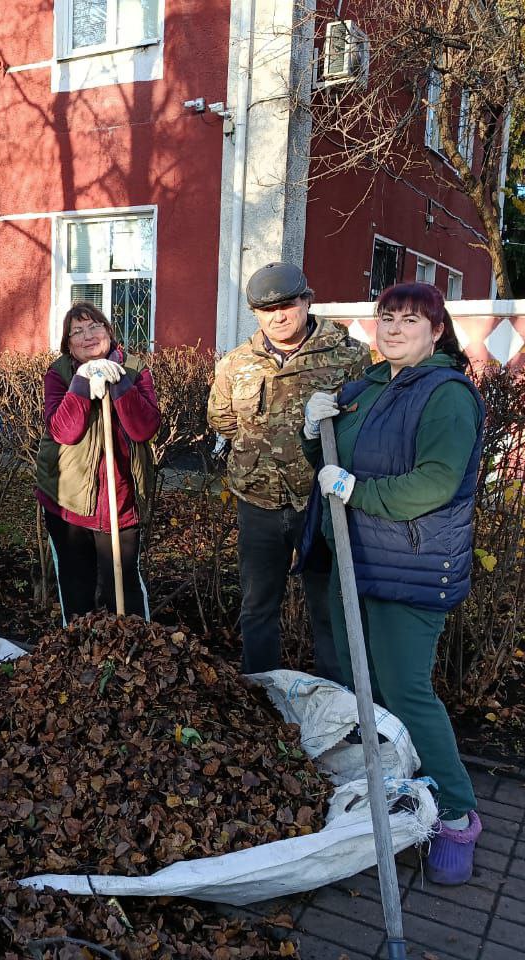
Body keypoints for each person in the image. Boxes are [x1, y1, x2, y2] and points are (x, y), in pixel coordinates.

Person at [300, 281, 486, 885]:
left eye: (412, 319)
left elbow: (435, 482)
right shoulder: (369, 386)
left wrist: (361, 493)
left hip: (409, 565)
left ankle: (458, 814)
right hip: (353, 558)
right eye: (387, 317)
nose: (396, 328)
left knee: (407, 692)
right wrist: (314, 434)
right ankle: (397, 791)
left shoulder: (446, 393)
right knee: (366, 686)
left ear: (437, 331)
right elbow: (332, 470)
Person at [207, 262, 369, 677]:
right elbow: (222, 419)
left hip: (320, 502)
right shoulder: (236, 363)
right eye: (266, 309)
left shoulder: (347, 356)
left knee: (327, 606)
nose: (278, 316)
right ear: (256, 314)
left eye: (287, 305)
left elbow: (361, 425)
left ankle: (337, 701)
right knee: (257, 605)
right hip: (258, 501)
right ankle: (261, 696)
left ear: (306, 301)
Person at [35, 302, 161, 622]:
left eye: (95, 326)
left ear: (109, 331)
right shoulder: (58, 374)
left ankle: (134, 658)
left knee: (124, 589)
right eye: (77, 331)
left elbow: (143, 428)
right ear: (68, 344)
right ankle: (78, 658)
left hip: (120, 502)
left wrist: (119, 383)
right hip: (70, 505)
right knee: (77, 591)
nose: (88, 335)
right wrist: (81, 381)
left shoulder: (135, 369)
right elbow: (64, 430)